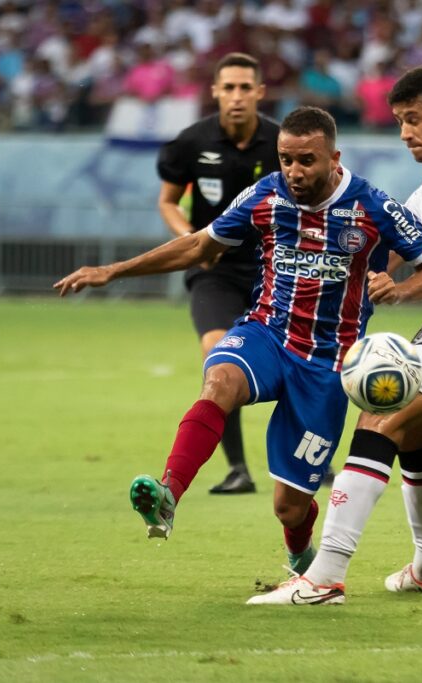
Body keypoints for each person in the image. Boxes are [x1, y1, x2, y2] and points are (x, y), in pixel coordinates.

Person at [55, 107, 422, 587]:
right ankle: (168, 494)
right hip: (266, 333)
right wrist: (111, 271)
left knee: (289, 507)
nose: (294, 172)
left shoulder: (373, 206)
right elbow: (202, 246)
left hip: (327, 365)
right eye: (286, 159)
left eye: (307, 160)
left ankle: (302, 559)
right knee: (218, 379)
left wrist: (400, 290)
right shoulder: (265, 196)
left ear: (334, 157)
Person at [250, 65, 422, 605]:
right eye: (399, 122)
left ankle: (323, 577)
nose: (405, 132)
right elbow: (391, 248)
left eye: (413, 119)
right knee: (413, 430)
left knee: (380, 413)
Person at [156, 52, 280, 494]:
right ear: (215, 92)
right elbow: (167, 201)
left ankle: (306, 459)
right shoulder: (191, 142)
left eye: (246, 87)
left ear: (260, 93)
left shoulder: (282, 143)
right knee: (219, 355)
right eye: (228, 87)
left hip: (275, 271)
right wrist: (192, 239)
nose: (237, 96)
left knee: (303, 361)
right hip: (216, 272)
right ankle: (238, 470)